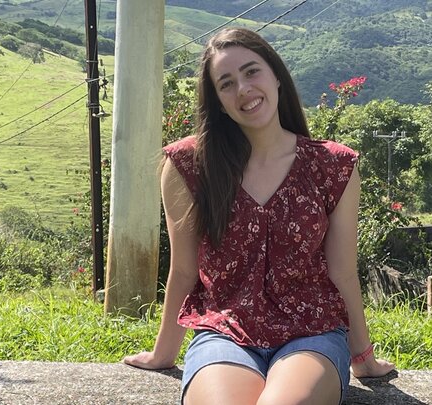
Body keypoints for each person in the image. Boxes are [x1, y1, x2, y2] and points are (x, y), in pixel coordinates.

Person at [123, 27, 395, 404]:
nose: (244, 90)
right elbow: (184, 269)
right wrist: (164, 354)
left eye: (252, 72)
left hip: (312, 332)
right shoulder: (189, 165)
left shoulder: (332, 165)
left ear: (276, 77)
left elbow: (342, 272)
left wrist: (362, 358)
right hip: (224, 332)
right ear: (218, 101)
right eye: (227, 83)